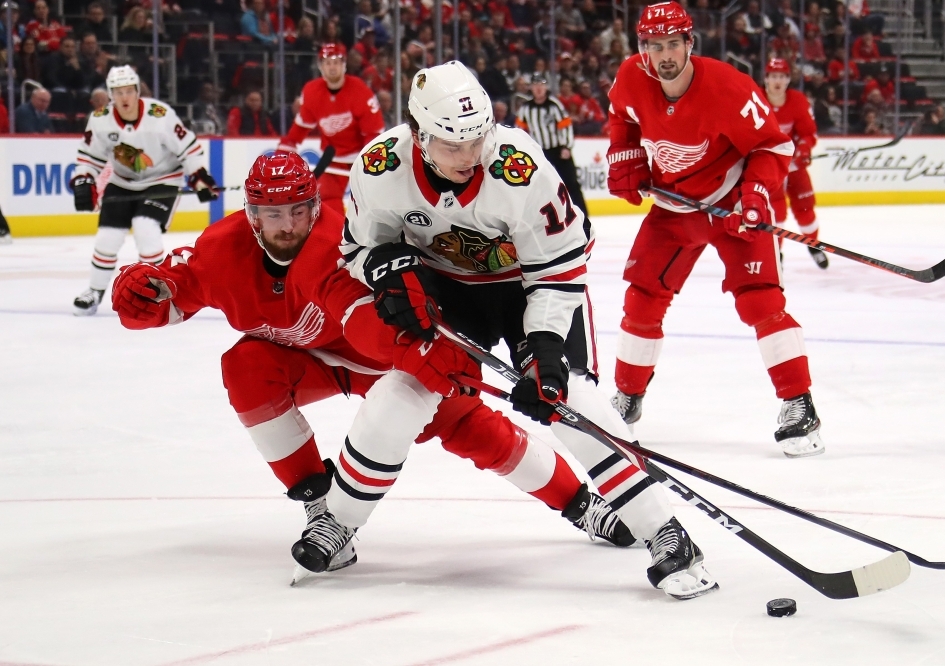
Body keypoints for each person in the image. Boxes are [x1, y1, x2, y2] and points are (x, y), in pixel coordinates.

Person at [110, 152, 634, 579]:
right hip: (304, 361)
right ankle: (324, 509)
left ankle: (580, 504)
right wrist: (141, 293)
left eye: (298, 210)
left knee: (474, 430)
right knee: (245, 366)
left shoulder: (333, 243)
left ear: (315, 205)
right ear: (251, 215)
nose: (288, 225)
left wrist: (419, 351)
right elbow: (172, 288)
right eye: (273, 214)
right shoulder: (221, 250)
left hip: (379, 358)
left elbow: (360, 315)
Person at [341, 61, 719, 600]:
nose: (471, 157)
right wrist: (387, 273)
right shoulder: (380, 167)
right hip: (447, 292)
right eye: (453, 146)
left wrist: (542, 346)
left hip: (527, 290)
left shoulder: (518, 164)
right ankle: (337, 523)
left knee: (574, 402)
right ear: (419, 133)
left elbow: (561, 265)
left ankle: (665, 531)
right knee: (403, 394)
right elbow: (358, 250)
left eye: (478, 139)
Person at [603, 3, 823, 458]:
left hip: (729, 204)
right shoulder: (630, 77)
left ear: (689, 44)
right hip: (673, 207)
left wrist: (756, 193)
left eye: (672, 44)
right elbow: (622, 117)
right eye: (654, 46)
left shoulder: (728, 87)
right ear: (643, 49)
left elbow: (774, 145)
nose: (664, 55)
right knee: (641, 299)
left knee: (761, 300)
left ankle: (798, 403)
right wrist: (624, 154)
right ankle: (627, 397)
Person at [68, 65, 218, 316]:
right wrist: (84, 179)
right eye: (118, 92)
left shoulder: (160, 116)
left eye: (129, 91)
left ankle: (160, 289)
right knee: (107, 237)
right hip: (123, 180)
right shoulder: (100, 119)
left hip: (163, 179)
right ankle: (95, 291)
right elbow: (89, 158)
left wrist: (200, 179)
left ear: (138, 91)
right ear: (110, 94)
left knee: (145, 228)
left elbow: (188, 150)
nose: (124, 97)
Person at [277, 43, 384, 212]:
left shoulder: (360, 91)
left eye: (336, 62)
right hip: (333, 160)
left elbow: (373, 135)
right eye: (327, 63)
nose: (332, 67)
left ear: (344, 65)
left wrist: (368, 164)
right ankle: (338, 238)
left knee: (372, 205)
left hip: (363, 158)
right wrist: (280, 158)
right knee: (326, 202)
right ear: (320, 67)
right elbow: (298, 131)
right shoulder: (312, 91)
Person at [763, 58, 827, 269]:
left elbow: (808, 133)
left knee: (805, 209)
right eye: (773, 76)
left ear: (789, 79)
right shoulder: (756, 101)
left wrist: (803, 149)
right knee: (774, 212)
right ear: (766, 79)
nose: (777, 81)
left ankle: (813, 245)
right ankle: (775, 253)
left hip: (793, 166)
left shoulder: (798, 101)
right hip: (769, 168)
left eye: (782, 76)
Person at [515, 73, 588, 216]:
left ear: (546, 87)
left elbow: (566, 126)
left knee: (571, 184)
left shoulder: (554, 106)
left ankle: (583, 217)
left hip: (558, 151)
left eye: (541, 85)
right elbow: (520, 131)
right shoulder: (526, 109)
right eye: (535, 85)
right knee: (537, 187)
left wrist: (566, 146)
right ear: (531, 88)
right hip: (539, 153)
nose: (538, 89)